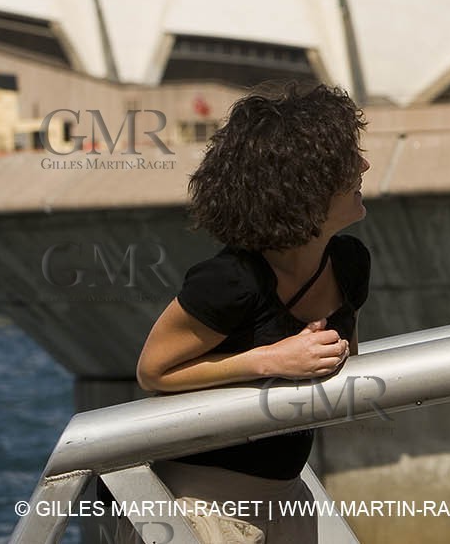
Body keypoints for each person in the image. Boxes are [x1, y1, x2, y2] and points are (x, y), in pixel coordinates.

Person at [132, 81, 371, 544]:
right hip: (203, 509)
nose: (364, 165)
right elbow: (154, 371)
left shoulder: (350, 264)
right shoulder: (230, 280)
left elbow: (345, 364)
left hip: (289, 496)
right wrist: (269, 361)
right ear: (306, 184)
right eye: (346, 161)